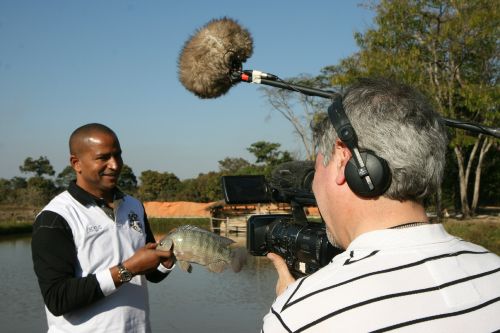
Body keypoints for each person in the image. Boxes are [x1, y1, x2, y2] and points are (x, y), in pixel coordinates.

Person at [262, 78, 500, 332]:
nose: (313, 184)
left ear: (344, 159)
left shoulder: (298, 317)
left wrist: (296, 304)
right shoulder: (493, 270)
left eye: (318, 164)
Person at [31, 123, 176, 332]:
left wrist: (167, 262)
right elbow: (57, 298)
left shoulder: (133, 206)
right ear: (76, 163)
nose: (115, 165)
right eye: (103, 158)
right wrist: (128, 269)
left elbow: (151, 273)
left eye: (118, 155)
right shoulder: (54, 218)